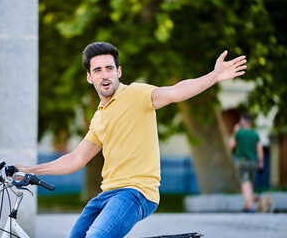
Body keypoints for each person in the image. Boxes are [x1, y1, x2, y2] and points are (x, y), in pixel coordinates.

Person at [15, 42, 247, 237]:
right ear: (89, 77)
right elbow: (76, 159)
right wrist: (29, 170)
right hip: (106, 195)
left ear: (119, 72)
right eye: (98, 70)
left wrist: (214, 76)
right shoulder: (98, 117)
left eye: (109, 68)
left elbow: (176, 92)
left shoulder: (136, 94)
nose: (104, 75)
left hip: (136, 192)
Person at [229, 114, 264, 212]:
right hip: (253, 161)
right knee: (250, 183)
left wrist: (235, 131)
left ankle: (249, 206)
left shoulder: (239, 133)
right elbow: (260, 148)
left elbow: (231, 145)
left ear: (243, 122)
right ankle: (248, 204)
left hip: (242, 161)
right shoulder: (255, 134)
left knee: (245, 183)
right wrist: (261, 162)